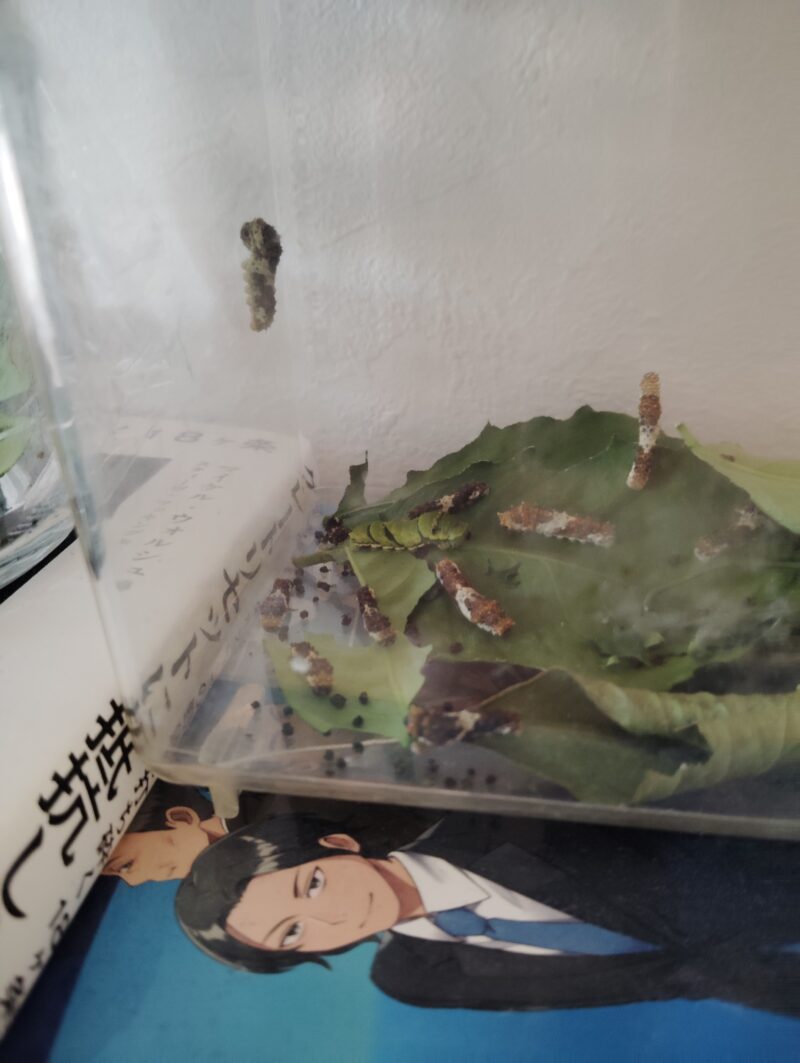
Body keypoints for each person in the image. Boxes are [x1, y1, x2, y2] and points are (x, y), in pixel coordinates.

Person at [175, 810, 800, 1014]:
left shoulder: (486, 820)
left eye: (311, 885)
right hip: (752, 982)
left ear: (337, 844)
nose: (331, 916)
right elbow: (632, 981)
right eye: (293, 933)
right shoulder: (408, 977)